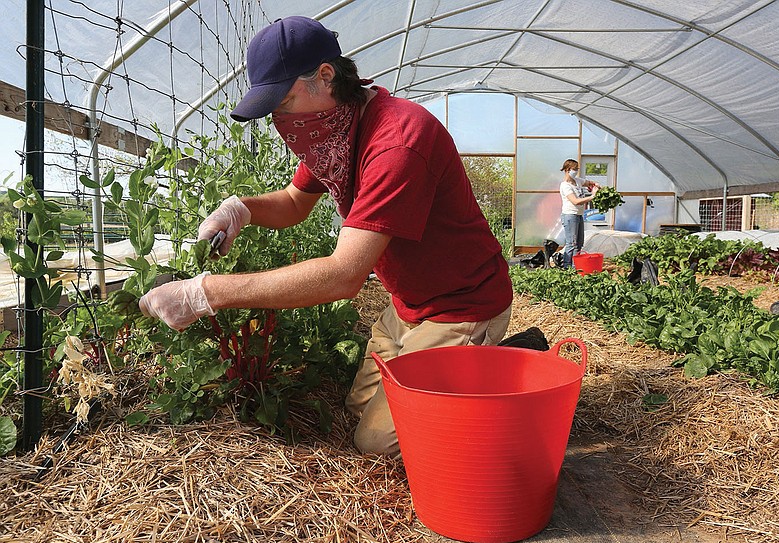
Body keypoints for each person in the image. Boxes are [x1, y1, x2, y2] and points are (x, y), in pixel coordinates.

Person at [138, 16, 513, 456]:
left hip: (461, 305)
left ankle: (499, 373)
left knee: (378, 443)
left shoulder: (397, 141)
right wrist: (241, 208)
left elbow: (342, 276)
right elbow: (296, 202)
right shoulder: (334, 133)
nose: (279, 118)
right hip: (408, 306)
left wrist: (205, 293)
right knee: (356, 409)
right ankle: (461, 374)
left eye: (284, 100)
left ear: (325, 76)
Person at [558, 158, 599, 269]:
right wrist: (592, 196)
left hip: (579, 215)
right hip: (570, 216)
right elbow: (575, 201)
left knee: (579, 243)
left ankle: (576, 266)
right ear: (567, 169)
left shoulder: (577, 181)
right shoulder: (565, 185)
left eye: (577, 169)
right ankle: (567, 267)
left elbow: (588, 182)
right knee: (571, 243)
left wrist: (595, 184)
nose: (575, 171)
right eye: (574, 169)